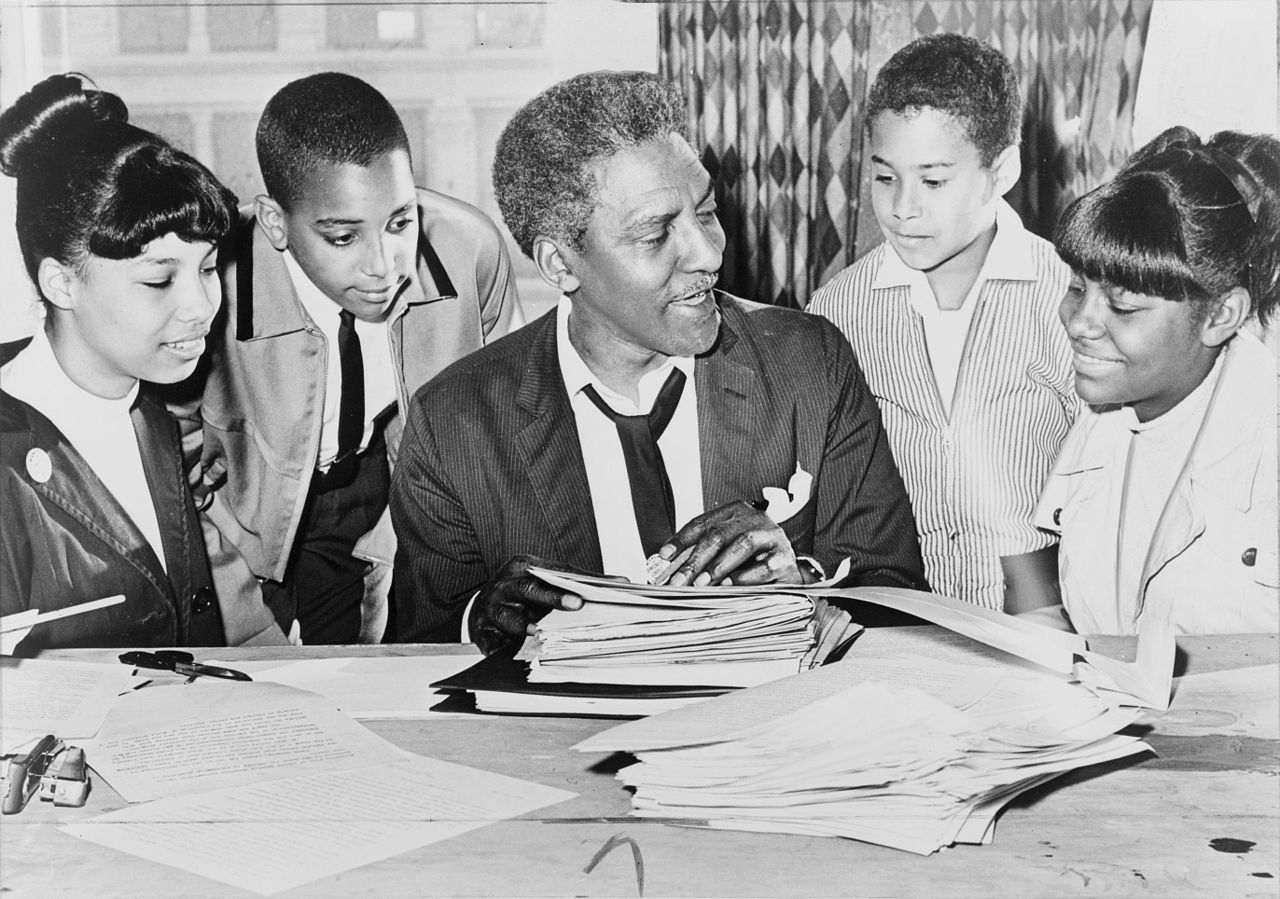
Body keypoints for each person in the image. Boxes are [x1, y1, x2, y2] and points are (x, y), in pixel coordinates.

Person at [389, 70, 926, 653]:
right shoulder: (454, 421)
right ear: (559, 264)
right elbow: (417, 647)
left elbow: (895, 595)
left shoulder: (809, 363)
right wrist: (481, 618)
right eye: (656, 234)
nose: (708, 253)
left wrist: (805, 583)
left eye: (706, 212)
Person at [169, 73, 521, 645]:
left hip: (369, 496)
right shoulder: (213, 276)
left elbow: (496, 419)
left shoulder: (470, 250)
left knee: (359, 680)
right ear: (276, 223)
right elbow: (165, 433)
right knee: (253, 682)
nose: (385, 267)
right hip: (240, 509)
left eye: (401, 222)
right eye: (342, 238)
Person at [0, 74, 282, 651]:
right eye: (159, 280)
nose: (202, 307)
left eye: (207, 269)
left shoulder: (151, 416)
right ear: (61, 282)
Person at [809, 35, 1076, 612]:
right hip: (893, 631)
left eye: (933, 181)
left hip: (1048, 628)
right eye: (884, 178)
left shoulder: (1070, 298)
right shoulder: (835, 313)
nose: (903, 208)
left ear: (1001, 170)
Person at [1025, 127, 1279, 635]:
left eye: (1123, 305)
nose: (1079, 323)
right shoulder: (1105, 413)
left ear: (1221, 315)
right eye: (1077, 287)